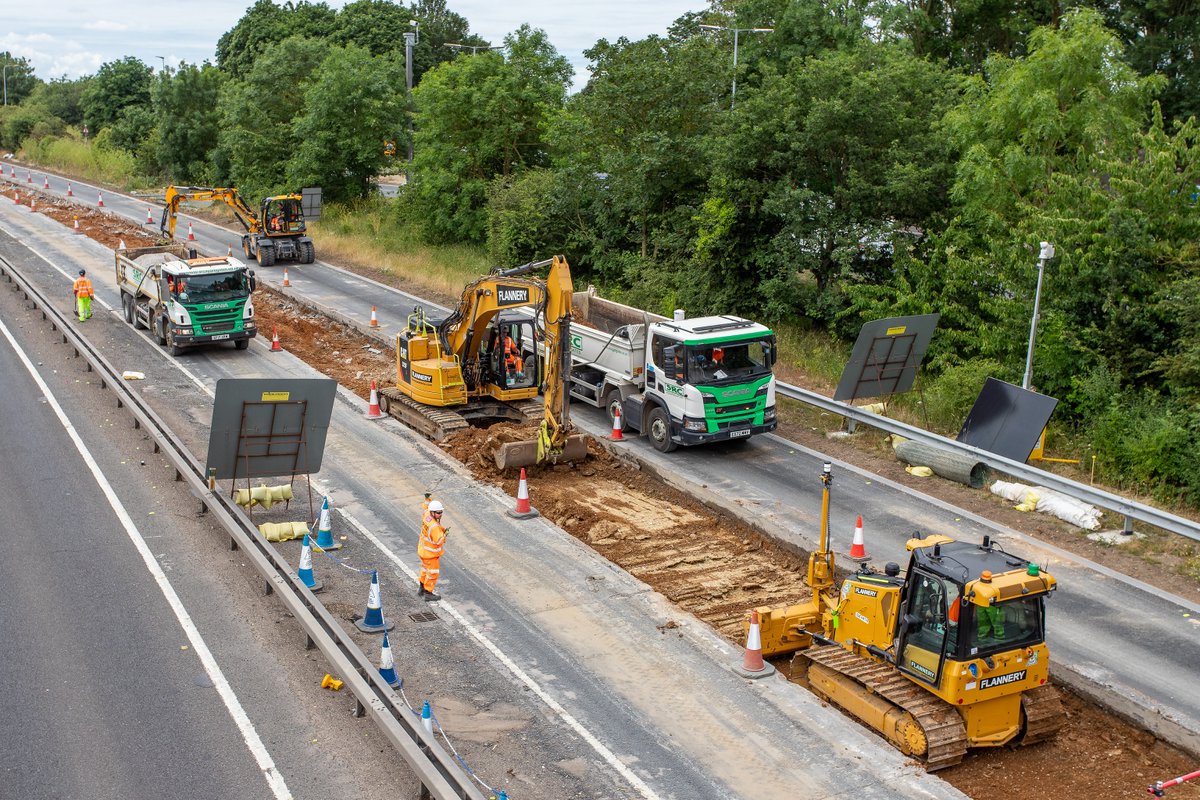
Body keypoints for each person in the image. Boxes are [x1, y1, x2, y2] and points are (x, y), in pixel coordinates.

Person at [417, 499, 449, 601]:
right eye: (439, 513)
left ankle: (421, 588)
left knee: (424, 570)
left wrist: (427, 499)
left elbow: (425, 507)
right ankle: (428, 593)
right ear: (433, 512)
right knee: (433, 573)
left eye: (441, 512)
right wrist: (445, 534)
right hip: (431, 555)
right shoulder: (434, 527)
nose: (440, 515)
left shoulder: (427, 515)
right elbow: (439, 541)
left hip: (423, 551)